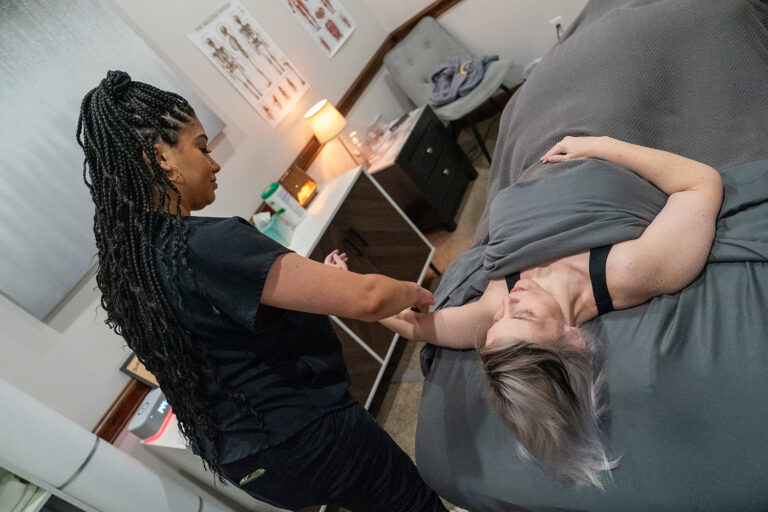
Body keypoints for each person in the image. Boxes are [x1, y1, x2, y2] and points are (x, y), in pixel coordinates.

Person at [77, 70, 448, 512]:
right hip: (310, 433)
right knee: (412, 503)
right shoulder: (208, 244)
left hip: (248, 459)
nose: (213, 163)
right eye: (201, 147)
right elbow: (367, 297)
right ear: (159, 157)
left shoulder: (129, 269)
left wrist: (318, 278)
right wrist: (415, 292)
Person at [381, 135, 723, 488]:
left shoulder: (498, 310)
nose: (508, 302)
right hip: (590, 136)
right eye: (524, 315)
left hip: (525, 150)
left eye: (499, 319)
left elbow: (414, 327)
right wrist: (598, 145)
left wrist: (349, 293)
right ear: (572, 338)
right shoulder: (632, 270)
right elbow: (700, 183)